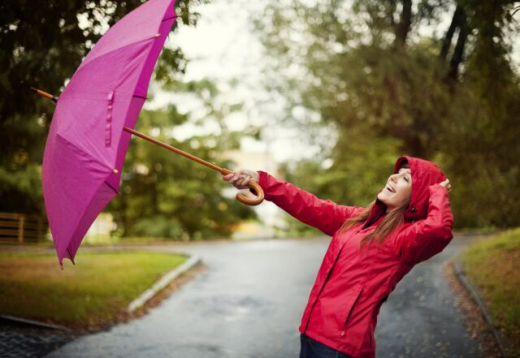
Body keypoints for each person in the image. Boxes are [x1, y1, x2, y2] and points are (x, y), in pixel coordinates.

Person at [223, 156, 453, 358]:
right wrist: (261, 181)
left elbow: (438, 230)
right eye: (396, 173)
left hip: (341, 347)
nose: (393, 177)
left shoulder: (405, 238)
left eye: (406, 178)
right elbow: (309, 205)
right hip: (312, 333)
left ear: (418, 197)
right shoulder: (357, 219)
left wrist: (437, 192)